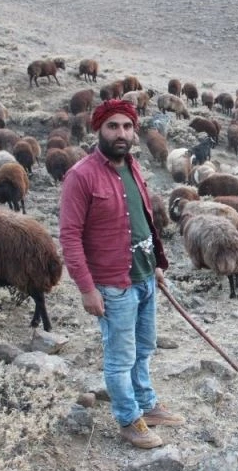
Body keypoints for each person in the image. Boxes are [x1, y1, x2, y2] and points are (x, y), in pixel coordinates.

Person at [59, 99, 184, 449]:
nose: (121, 133)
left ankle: (147, 405)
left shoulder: (133, 167)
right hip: (113, 285)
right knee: (119, 357)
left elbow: (143, 221)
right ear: (98, 129)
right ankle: (129, 420)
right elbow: (69, 236)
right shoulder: (81, 176)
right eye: (113, 126)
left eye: (127, 127)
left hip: (144, 278)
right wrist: (86, 289)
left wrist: (157, 263)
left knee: (144, 348)